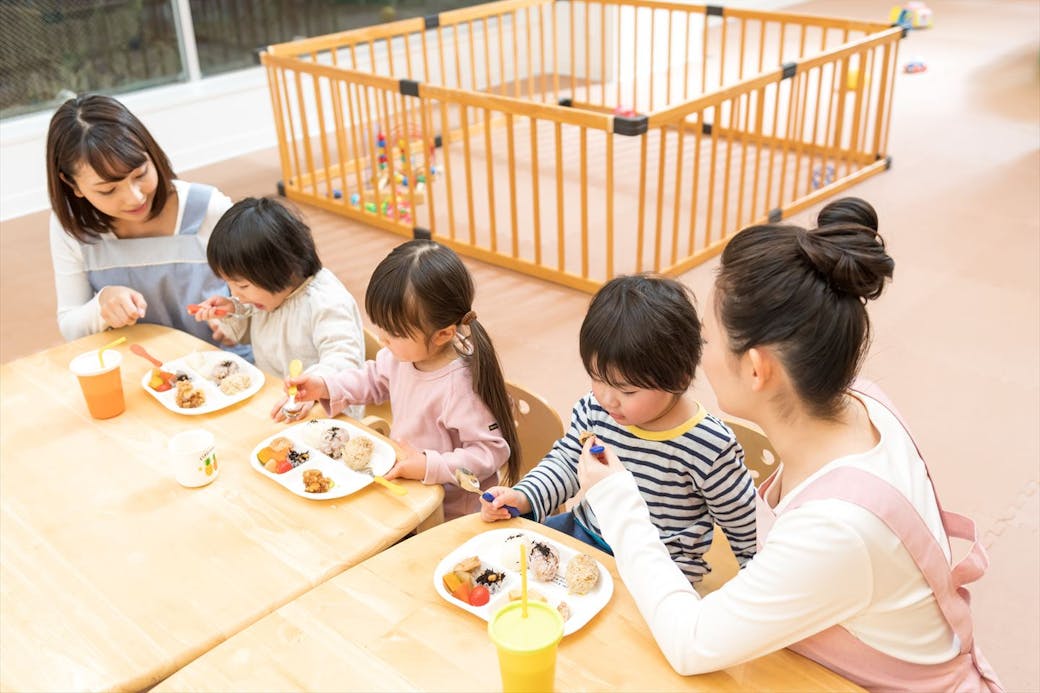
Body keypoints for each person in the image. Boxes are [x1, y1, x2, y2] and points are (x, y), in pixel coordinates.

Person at [575, 199, 1003, 690]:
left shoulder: (837, 529)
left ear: (756, 369)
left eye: (706, 336)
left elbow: (691, 645)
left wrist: (616, 498)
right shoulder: (861, 403)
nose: (695, 350)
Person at [481, 274, 757, 585]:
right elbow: (567, 463)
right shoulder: (596, 410)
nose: (608, 399)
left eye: (627, 391)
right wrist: (522, 496)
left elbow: (750, 533)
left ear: (679, 379)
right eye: (597, 378)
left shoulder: (710, 446)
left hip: (659, 568)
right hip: (586, 533)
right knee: (507, 571)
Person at [287, 239, 520, 519]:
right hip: (406, 490)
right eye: (380, 326)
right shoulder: (401, 356)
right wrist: (325, 386)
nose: (383, 339)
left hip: (449, 513)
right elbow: (372, 380)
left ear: (443, 334)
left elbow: (489, 453)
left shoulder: (461, 386)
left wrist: (427, 465)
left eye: (394, 332)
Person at [46, 93, 243, 353]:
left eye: (140, 174)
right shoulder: (71, 227)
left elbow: (271, 294)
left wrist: (239, 320)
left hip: (226, 372)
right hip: (139, 372)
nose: (135, 197)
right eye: (108, 190)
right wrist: (102, 306)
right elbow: (70, 327)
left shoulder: (207, 208)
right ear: (72, 185)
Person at [190, 197, 365, 421]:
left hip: (322, 415)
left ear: (283, 268)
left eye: (242, 285)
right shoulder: (270, 295)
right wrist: (232, 311)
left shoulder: (325, 302)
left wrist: (315, 387)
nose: (235, 294)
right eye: (229, 285)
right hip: (275, 402)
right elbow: (248, 335)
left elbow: (344, 359)